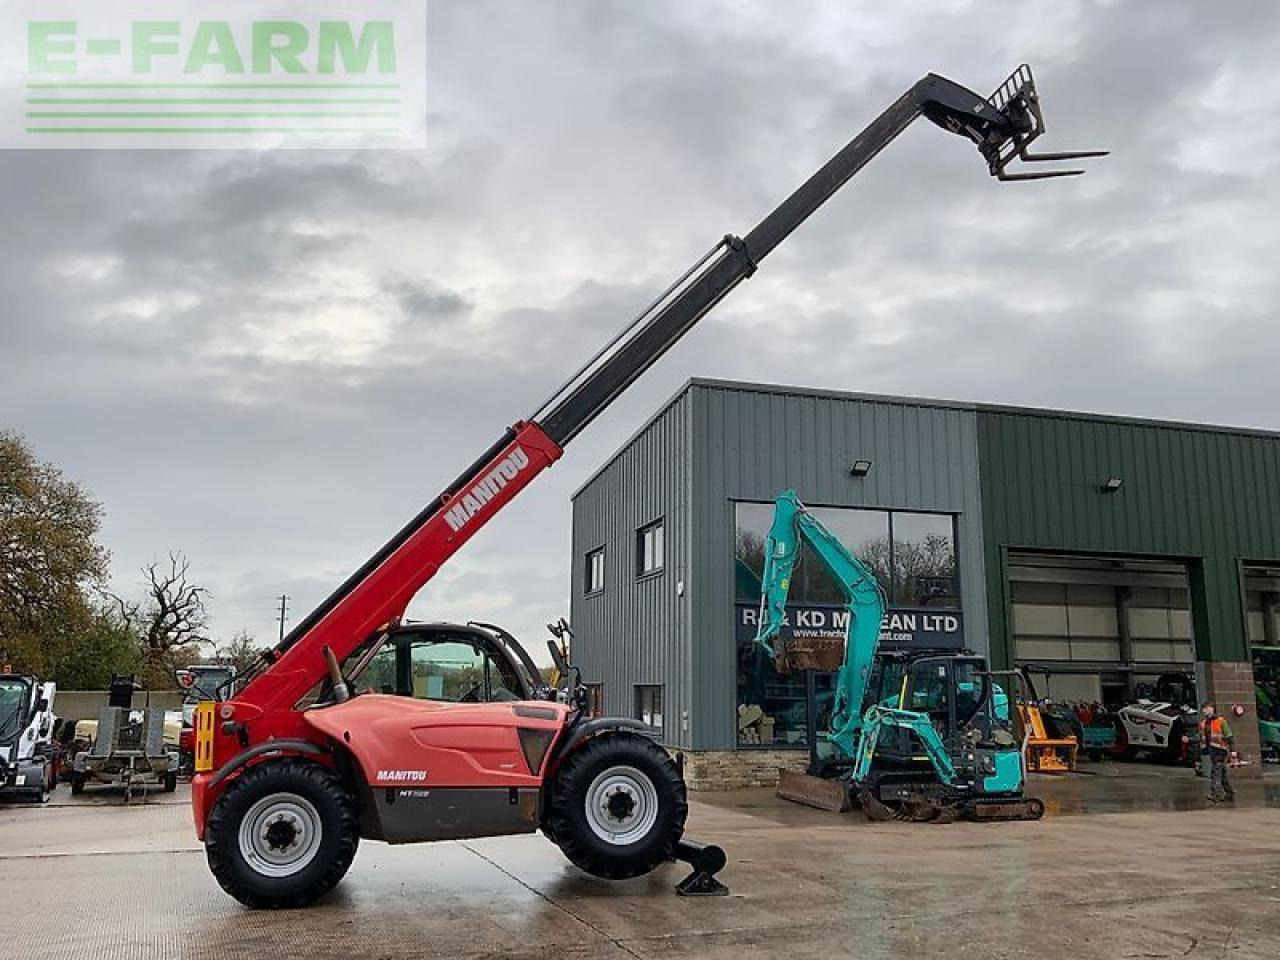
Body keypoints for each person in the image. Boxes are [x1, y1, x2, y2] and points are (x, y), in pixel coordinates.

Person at [1199, 701, 1235, 802]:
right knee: (1221, 772)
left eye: (1205, 708)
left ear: (1211, 708)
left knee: (1215, 773)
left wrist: (1233, 751)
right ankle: (1229, 793)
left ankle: (1216, 794)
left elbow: (1229, 736)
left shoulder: (1220, 721)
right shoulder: (1203, 723)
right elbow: (1203, 738)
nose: (1203, 711)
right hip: (1212, 751)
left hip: (1220, 750)